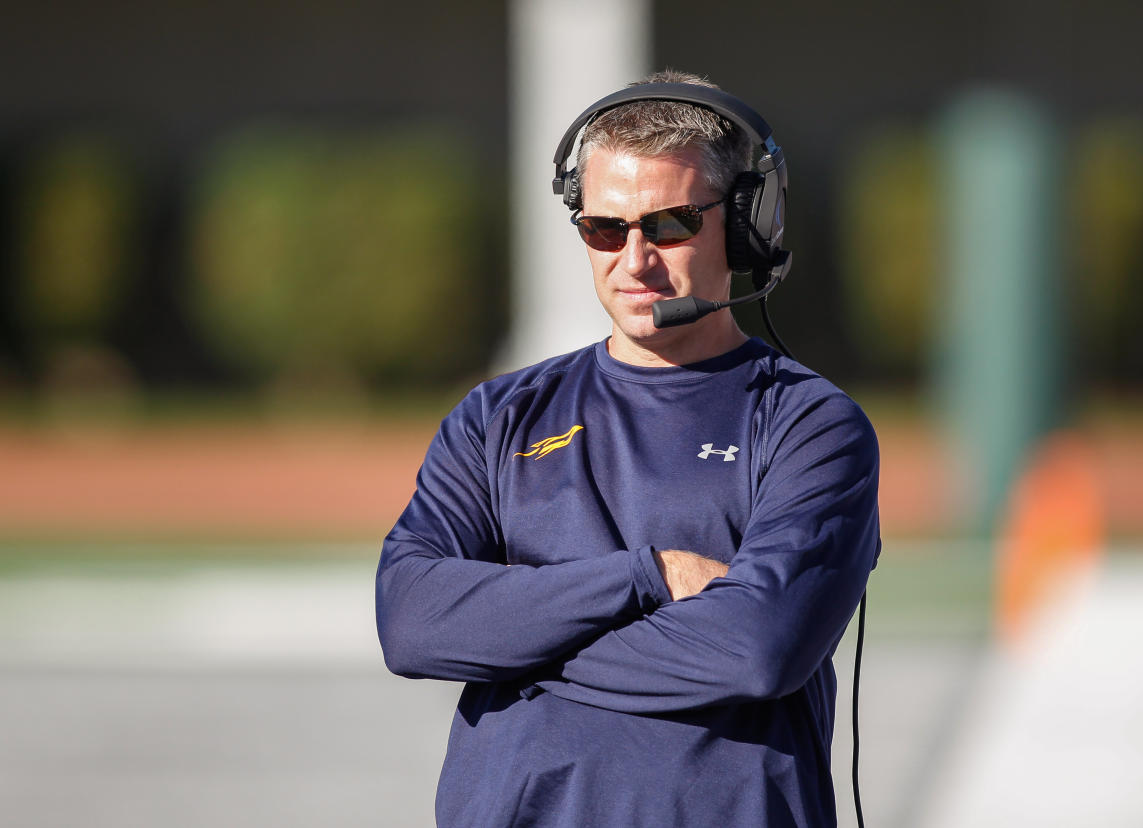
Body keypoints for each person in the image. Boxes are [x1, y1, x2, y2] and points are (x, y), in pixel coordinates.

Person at [376, 69, 880, 827]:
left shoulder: (811, 424)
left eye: (670, 225)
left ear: (748, 223)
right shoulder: (496, 416)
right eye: (604, 229)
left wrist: (516, 638)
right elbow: (413, 621)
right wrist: (649, 577)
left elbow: (757, 647)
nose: (634, 260)